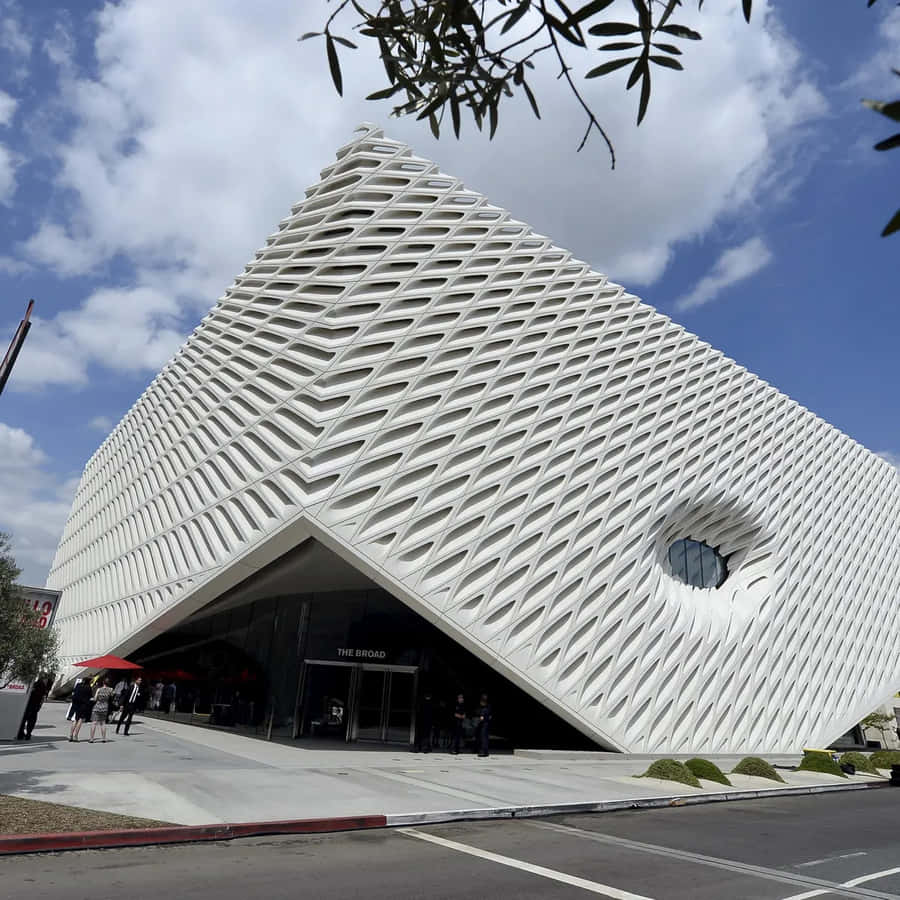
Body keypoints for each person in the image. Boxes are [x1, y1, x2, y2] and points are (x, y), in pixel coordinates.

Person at [17, 675, 49, 740]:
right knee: (32, 721)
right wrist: (40, 706)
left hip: (28, 705)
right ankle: (28, 734)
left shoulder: (34, 685)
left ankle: (20, 733)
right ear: (44, 679)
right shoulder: (43, 687)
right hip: (35, 706)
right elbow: (42, 698)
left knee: (23, 720)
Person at [89, 677, 114, 743]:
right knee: (103, 723)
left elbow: (95, 699)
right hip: (105, 707)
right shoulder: (111, 689)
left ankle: (91, 739)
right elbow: (112, 696)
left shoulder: (99, 689)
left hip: (97, 707)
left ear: (103, 682)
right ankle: (103, 738)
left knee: (94, 723)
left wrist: (91, 699)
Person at [475, 693, 492, 758]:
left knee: (484, 738)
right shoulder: (487, 707)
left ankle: (484, 752)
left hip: (484, 724)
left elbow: (482, 717)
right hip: (486, 724)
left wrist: (482, 718)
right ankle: (485, 751)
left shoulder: (485, 709)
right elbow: (490, 717)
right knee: (484, 738)